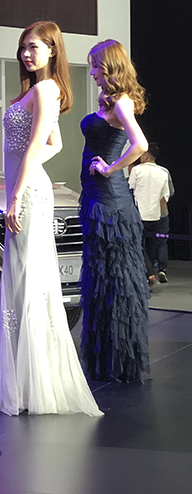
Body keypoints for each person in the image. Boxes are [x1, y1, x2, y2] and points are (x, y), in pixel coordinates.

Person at [0, 22, 101, 417]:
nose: (26, 54)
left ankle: (31, 385)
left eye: (34, 47)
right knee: (22, 277)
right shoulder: (36, 91)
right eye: (23, 47)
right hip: (27, 187)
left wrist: (16, 193)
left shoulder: (46, 90)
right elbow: (55, 144)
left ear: (52, 50)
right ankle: (24, 380)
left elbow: (35, 147)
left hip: (27, 194)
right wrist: (22, 175)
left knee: (28, 278)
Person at [79, 39, 150, 383]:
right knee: (105, 278)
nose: (92, 72)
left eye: (95, 66)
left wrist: (110, 168)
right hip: (98, 197)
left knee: (116, 279)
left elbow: (140, 144)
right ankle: (108, 358)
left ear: (109, 67)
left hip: (109, 200)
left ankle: (118, 360)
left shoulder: (121, 102)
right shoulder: (112, 100)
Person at [129, 143, 173, 284]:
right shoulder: (163, 172)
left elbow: (129, 190)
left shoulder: (136, 170)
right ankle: (159, 270)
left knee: (139, 246)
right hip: (156, 216)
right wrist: (157, 214)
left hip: (138, 216)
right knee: (154, 244)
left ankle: (148, 275)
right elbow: (165, 198)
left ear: (146, 155)